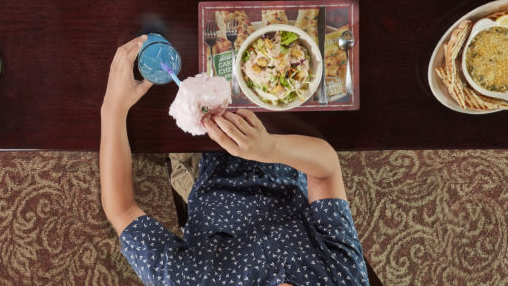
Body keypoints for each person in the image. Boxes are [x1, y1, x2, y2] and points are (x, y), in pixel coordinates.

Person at [100, 36, 368, 286]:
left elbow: (122, 210)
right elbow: (327, 170)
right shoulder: (343, 278)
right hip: (286, 154)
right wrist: (268, 147)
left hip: (203, 163)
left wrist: (113, 108)